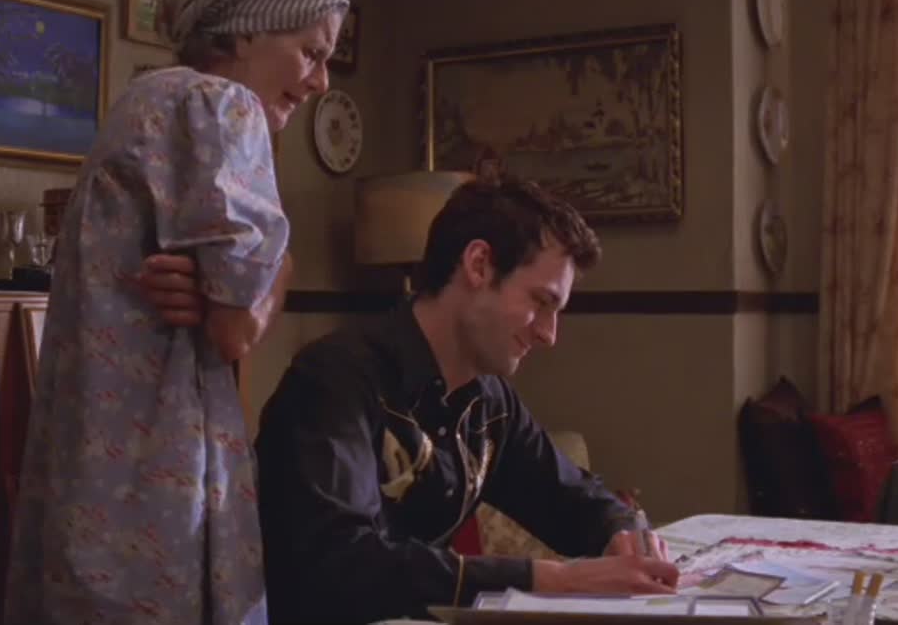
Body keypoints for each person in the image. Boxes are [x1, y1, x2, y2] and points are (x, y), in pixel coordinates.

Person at [141, 178, 679, 624]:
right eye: (541, 302)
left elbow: (568, 496)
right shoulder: (335, 378)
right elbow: (339, 564)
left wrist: (623, 530)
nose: (549, 334)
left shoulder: (489, 403)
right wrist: (548, 578)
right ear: (478, 265)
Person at [5, 0, 349, 625]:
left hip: (91, 477)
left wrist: (224, 291)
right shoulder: (224, 106)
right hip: (162, 483)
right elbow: (236, 327)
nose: (319, 83)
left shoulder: (142, 101)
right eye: (311, 53)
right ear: (246, 29)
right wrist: (281, 271)